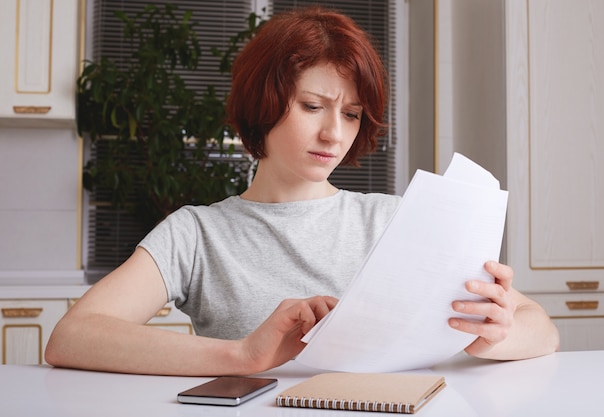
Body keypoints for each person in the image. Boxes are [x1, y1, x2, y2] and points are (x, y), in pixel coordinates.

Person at [45, 6, 559, 376]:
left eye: (352, 114)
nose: (335, 134)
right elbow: (72, 337)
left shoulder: (397, 219)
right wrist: (241, 356)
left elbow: (543, 328)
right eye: (313, 106)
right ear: (262, 104)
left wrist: (493, 335)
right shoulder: (197, 233)